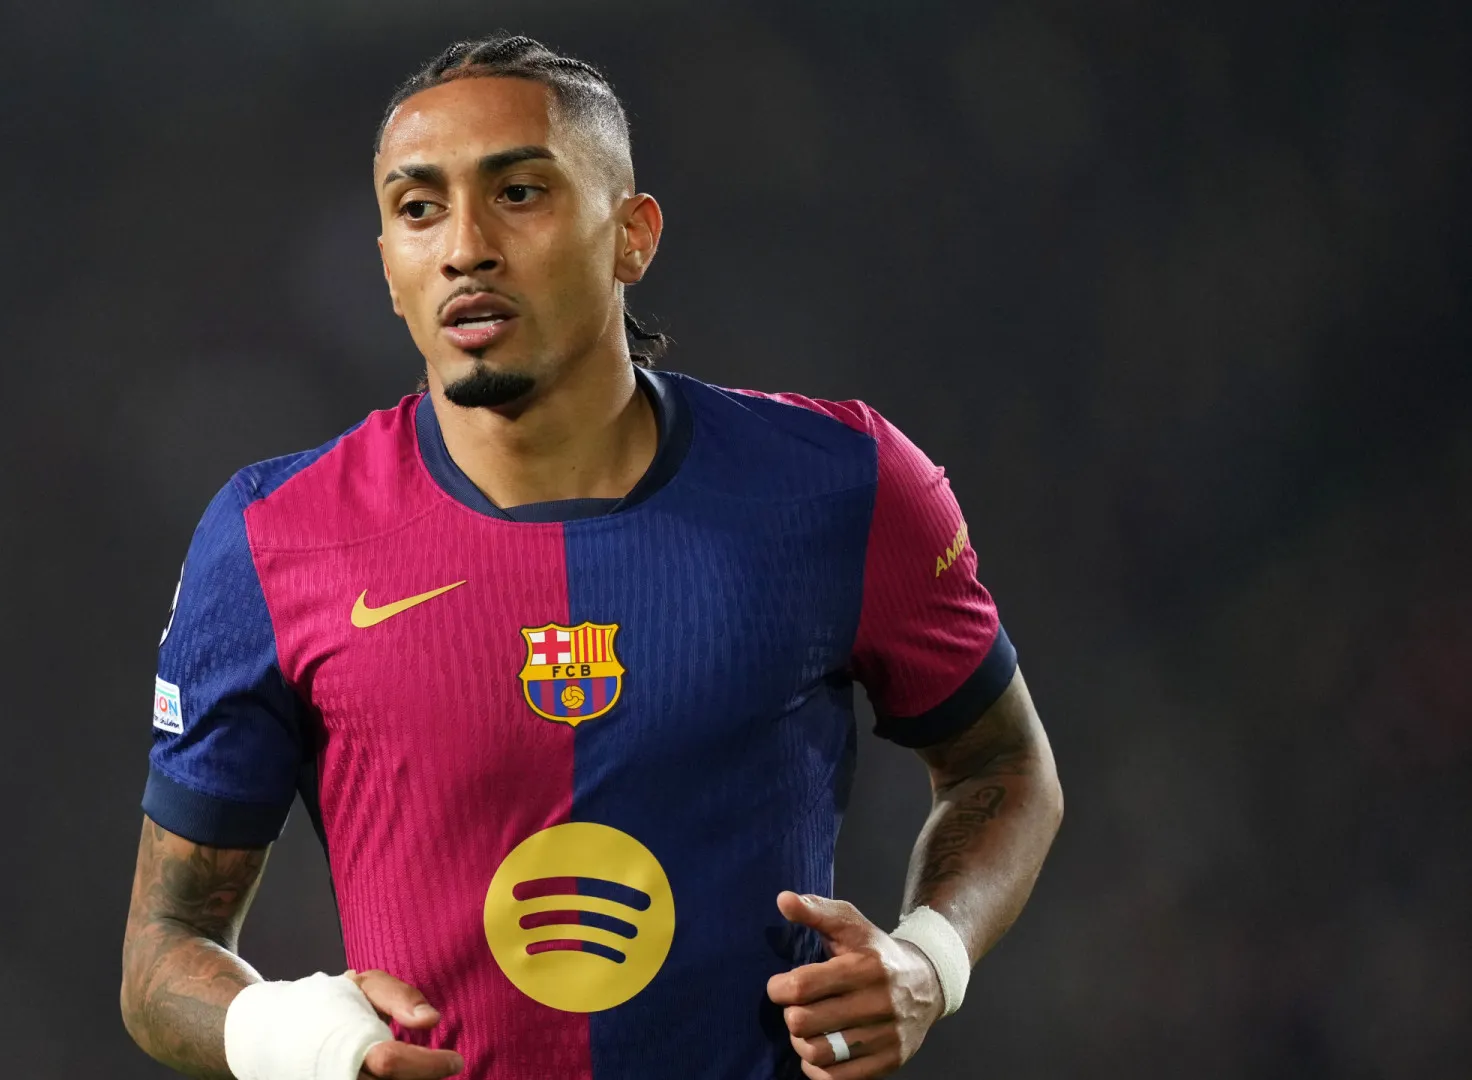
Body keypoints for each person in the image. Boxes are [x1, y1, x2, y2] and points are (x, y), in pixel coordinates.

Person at [119, 33, 1063, 1080]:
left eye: (519, 193)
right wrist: (304, 1039)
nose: (465, 246)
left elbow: (1005, 766)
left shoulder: (842, 483)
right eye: (419, 209)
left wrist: (929, 959)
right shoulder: (273, 537)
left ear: (632, 235)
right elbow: (162, 954)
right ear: (387, 267)